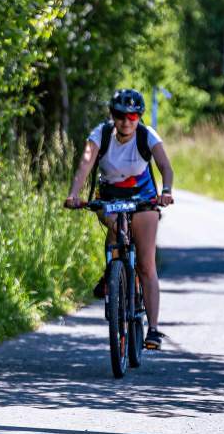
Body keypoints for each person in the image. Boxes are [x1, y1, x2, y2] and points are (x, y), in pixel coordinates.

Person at [64, 88, 174, 349]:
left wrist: (166, 192)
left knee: (146, 263)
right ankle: (112, 273)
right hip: (110, 196)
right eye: (120, 116)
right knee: (115, 227)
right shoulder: (101, 134)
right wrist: (73, 194)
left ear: (139, 118)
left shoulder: (147, 136)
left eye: (133, 117)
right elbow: (85, 163)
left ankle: (154, 329)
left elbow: (165, 167)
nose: (126, 121)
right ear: (112, 116)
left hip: (144, 197)